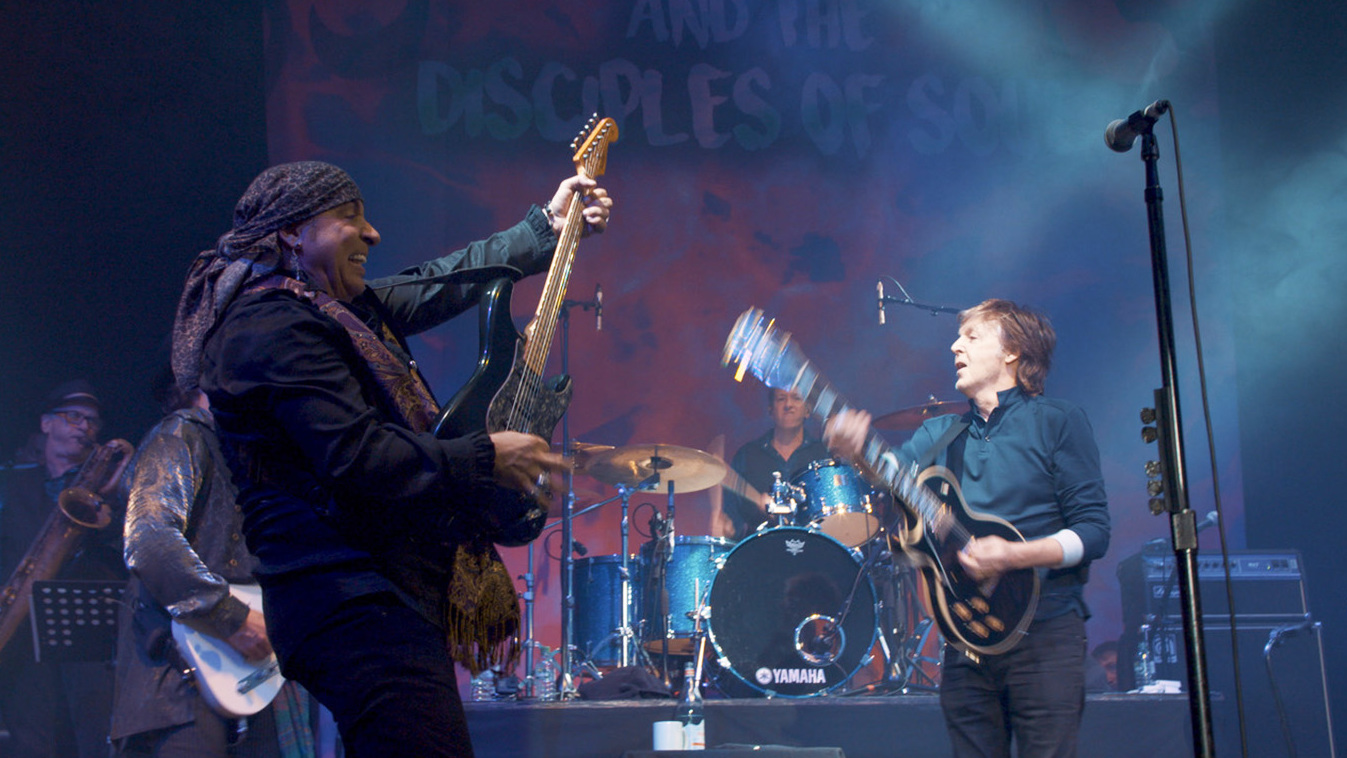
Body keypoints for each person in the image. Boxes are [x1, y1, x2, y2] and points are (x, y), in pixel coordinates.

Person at [171, 161, 611, 757]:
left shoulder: (326, 311)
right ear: (292, 234)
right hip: (345, 601)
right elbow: (357, 456)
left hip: (372, 598)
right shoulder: (270, 326)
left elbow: (434, 281)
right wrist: (483, 458)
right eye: (349, 218)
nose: (371, 233)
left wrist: (545, 230)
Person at [825, 299, 1110, 758]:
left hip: (1046, 631)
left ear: (1013, 351)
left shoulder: (1058, 421)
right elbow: (890, 475)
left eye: (972, 336)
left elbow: (1095, 532)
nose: (955, 345)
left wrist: (1016, 555)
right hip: (966, 642)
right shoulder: (939, 433)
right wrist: (858, 452)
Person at [110, 369, 317, 757]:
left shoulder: (250, 452)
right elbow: (150, 541)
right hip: (178, 688)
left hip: (257, 679)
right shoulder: (179, 434)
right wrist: (231, 617)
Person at [0, 379, 129, 758]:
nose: (84, 427)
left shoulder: (107, 486)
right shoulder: (11, 482)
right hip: (23, 641)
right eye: (73, 416)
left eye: (91, 421)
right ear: (46, 424)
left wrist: (111, 500)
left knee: (92, 742)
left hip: (88, 643)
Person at [721, 388, 830, 540]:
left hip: (816, 548)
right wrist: (728, 527)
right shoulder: (747, 455)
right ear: (770, 410)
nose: (788, 405)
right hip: (760, 553)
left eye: (796, 398)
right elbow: (731, 519)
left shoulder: (823, 454)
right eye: (781, 399)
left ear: (808, 410)